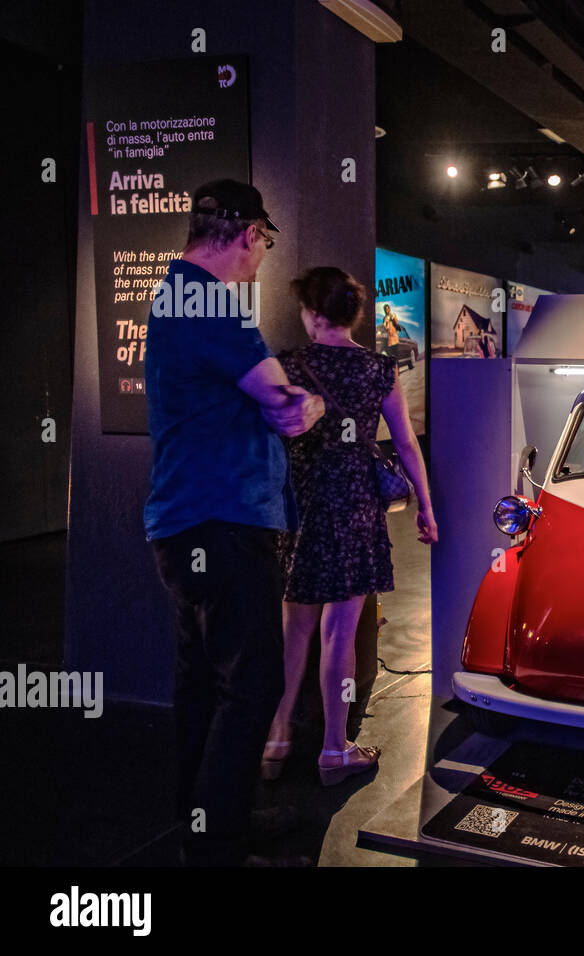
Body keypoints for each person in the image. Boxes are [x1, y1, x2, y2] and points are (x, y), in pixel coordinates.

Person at [145, 179, 324, 866]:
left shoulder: (174, 296)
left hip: (184, 522)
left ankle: (212, 820)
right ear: (249, 233)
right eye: (265, 243)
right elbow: (285, 405)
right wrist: (300, 402)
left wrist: (281, 397)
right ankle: (216, 843)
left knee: (202, 683)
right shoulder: (212, 305)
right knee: (252, 683)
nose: (263, 258)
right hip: (222, 521)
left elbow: (265, 395)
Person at [261, 267, 436, 787]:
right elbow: (404, 442)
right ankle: (334, 751)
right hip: (357, 506)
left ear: (314, 315)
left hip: (302, 504)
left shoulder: (289, 363)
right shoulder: (378, 369)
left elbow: (269, 437)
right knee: (340, 633)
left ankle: (276, 739)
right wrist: (426, 506)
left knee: (293, 629)